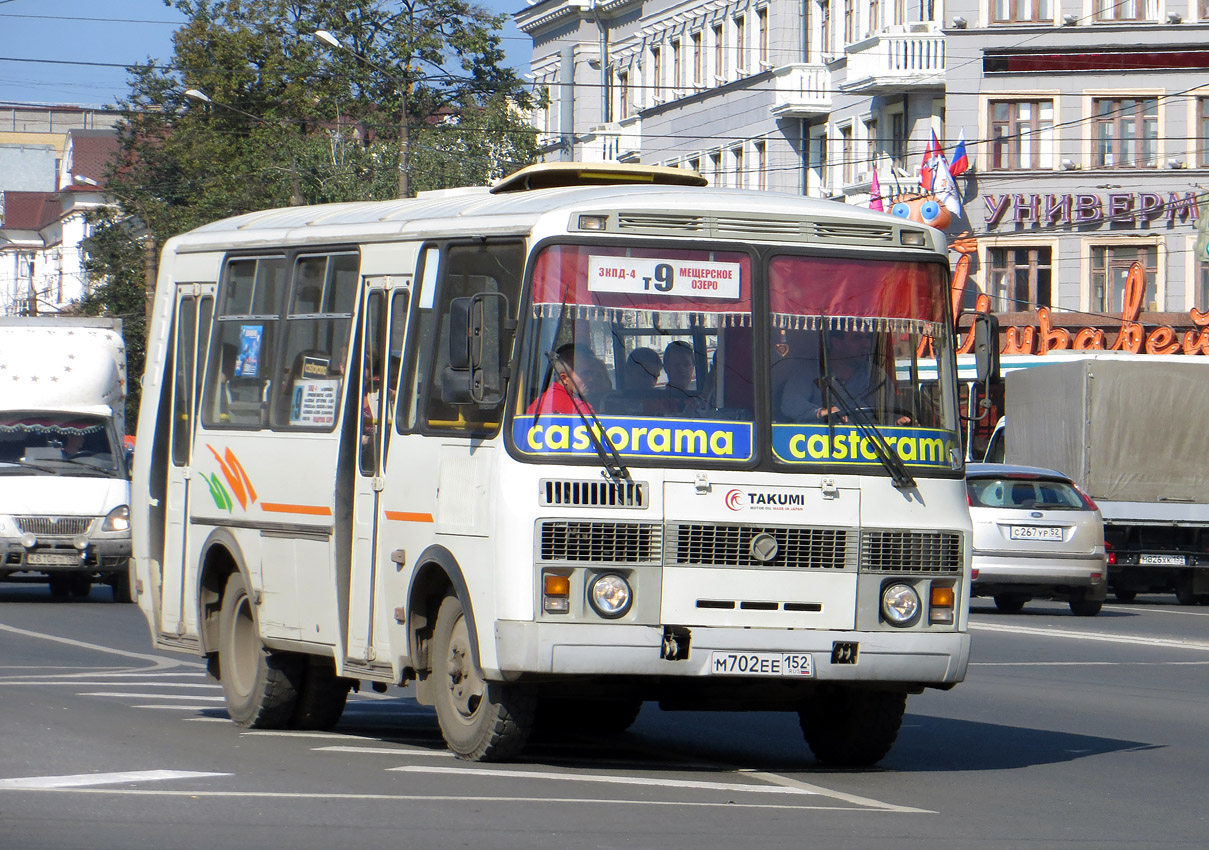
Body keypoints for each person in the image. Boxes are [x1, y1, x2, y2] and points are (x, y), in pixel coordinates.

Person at [779, 330, 909, 425]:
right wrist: (821, 413)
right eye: (857, 338)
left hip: (870, 452)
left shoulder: (876, 375)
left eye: (867, 337)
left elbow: (890, 412)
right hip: (821, 448)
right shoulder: (809, 373)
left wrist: (899, 420)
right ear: (836, 343)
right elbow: (791, 405)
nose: (866, 344)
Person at [527, 343, 610, 415]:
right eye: (585, 374)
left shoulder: (544, 399)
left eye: (591, 374)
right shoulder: (577, 408)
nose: (591, 379)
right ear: (564, 378)